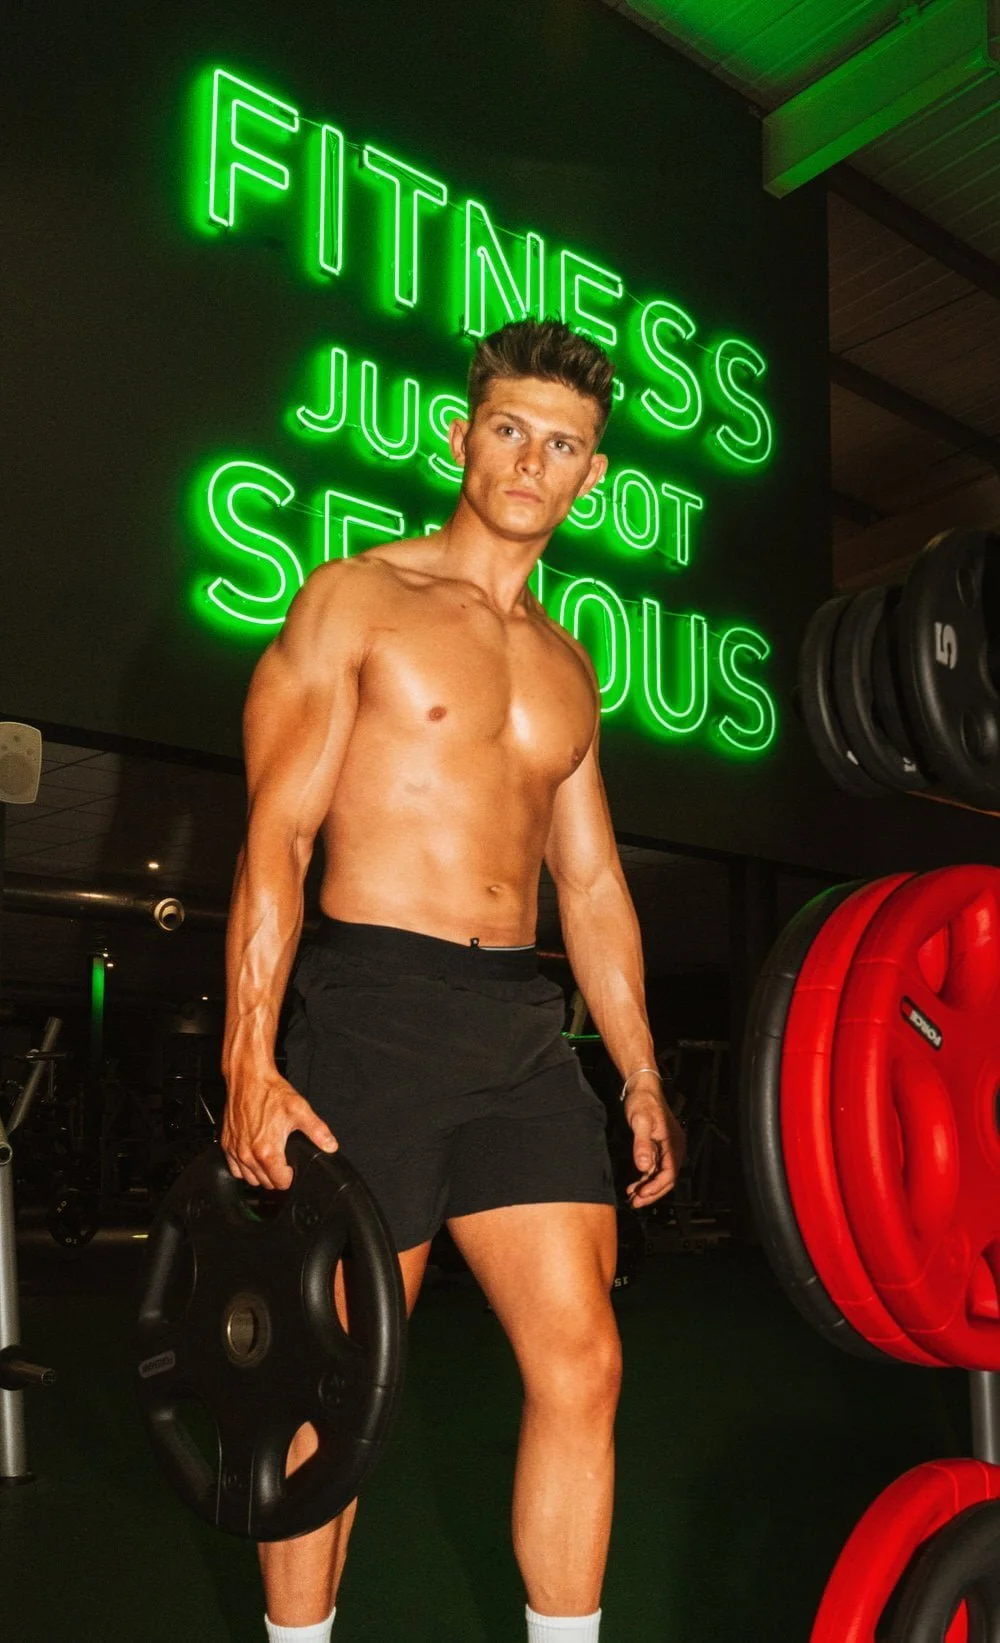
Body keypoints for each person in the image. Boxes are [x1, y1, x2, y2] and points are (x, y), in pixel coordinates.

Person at [221, 317, 686, 1643]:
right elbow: (276, 834)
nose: (533, 460)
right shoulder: (355, 599)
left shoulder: (567, 669)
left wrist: (640, 1068)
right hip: (372, 1012)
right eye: (511, 429)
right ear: (461, 433)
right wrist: (251, 1057)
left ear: (591, 474)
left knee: (583, 1358)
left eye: (564, 444)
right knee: (342, 1382)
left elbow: (589, 885)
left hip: (522, 1034)